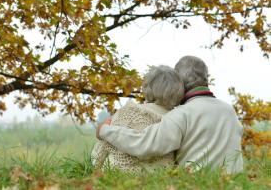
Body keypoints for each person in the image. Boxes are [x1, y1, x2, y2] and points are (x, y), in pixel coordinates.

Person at [97, 56, 243, 173]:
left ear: (180, 83)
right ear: (206, 78)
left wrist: (105, 130)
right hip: (232, 183)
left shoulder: (182, 114)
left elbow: (145, 144)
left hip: (195, 183)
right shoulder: (229, 110)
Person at [92, 65, 184, 171]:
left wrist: (95, 166)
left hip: (117, 174)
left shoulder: (128, 112)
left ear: (147, 87)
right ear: (179, 92)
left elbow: (101, 150)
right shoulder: (178, 119)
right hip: (159, 178)